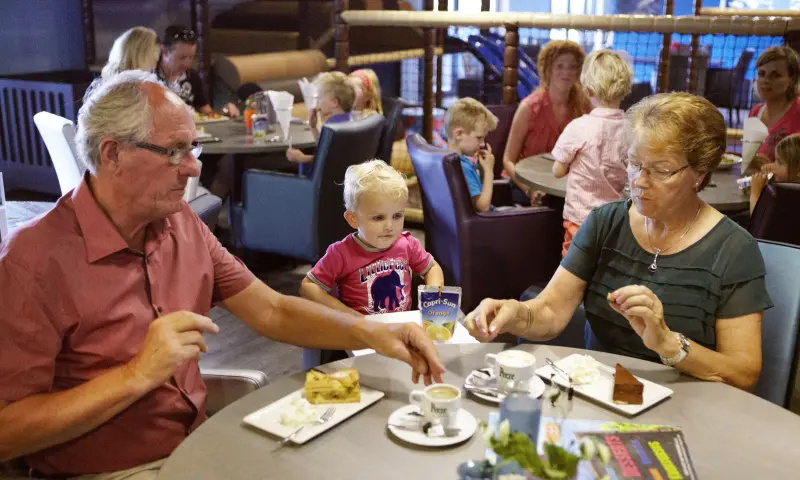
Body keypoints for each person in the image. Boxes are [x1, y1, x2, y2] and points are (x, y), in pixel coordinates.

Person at [0, 71, 445, 479]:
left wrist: (373, 334)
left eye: (192, 148)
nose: (195, 167)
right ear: (112, 153)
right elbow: (8, 432)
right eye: (174, 151)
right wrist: (137, 373)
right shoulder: (32, 261)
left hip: (196, 444)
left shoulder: (180, 223)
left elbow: (270, 309)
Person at [466, 93, 772, 392]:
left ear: (700, 173)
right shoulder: (605, 223)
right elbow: (550, 311)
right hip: (601, 395)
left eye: (661, 170)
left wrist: (668, 343)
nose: (639, 181)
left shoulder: (733, 249)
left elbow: (743, 373)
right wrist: (514, 313)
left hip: (689, 405)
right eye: (634, 163)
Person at [300, 159, 444, 316]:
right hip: (359, 332)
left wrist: (432, 296)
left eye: (397, 215)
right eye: (378, 218)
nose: (389, 226)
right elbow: (308, 287)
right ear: (353, 219)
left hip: (401, 327)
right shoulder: (340, 253)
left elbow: (432, 268)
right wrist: (346, 313)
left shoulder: (407, 243)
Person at [552, 50, 633, 257]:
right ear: (625, 89)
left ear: (588, 90)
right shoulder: (631, 130)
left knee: (573, 267)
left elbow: (558, 170)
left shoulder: (579, 127)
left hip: (580, 217)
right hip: (616, 218)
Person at [502, 40, 591, 205]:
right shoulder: (529, 108)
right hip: (527, 185)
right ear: (547, 69)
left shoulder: (585, 108)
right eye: (560, 66)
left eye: (572, 66)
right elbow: (508, 160)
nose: (566, 72)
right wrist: (530, 190)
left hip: (567, 188)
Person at [157, 25, 238, 118]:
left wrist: (225, 111)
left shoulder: (192, 77)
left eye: (191, 57)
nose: (187, 64)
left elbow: (207, 114)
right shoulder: (148, 76)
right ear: (165, 51)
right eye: (182, 58)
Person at [286, 71, 356, 168]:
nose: (318, 103)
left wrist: (301, 158)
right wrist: (313, 127)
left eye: (320, 98)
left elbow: (328, 160)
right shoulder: (351, 121)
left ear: (334, 102)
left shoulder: (332, 127)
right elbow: (324, 150)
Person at [443, 98, 499, 213]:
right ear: (459, 134)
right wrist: (489, 171)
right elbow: (483, 207)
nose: (483, 144)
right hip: (486, 224)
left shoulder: (443, 158)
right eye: (479, 138)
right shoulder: (461, 167)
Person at [747, 45, 800, 163]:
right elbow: (748, 160)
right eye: (762, 73)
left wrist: (775, 166)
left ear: (792, 79)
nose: (766, 80)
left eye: (775, 75)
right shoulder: (755, 112)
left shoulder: (798, 112)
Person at [750, 133, 800, 215]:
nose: (773, 165)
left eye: (779, 162)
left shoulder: (792, 200)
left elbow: (759, 222)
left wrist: (755, 194)